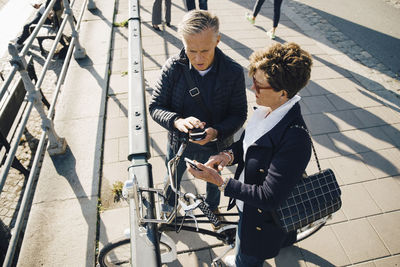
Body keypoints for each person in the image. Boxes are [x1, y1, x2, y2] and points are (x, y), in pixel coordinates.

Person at [187, 42, 313, 266]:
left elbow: (269, 197)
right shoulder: (267, 110)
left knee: (246, 259)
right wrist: (226, 156)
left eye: (258, 85)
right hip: (250, 207)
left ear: (283, 93)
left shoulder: (296, 139)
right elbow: (248, 144)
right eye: (253, 80)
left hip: (261, 221)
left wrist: (219, 181)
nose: (252, 88)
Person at [149, 10, 247, 218]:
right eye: (191, 50)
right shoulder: (173, 68)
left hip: (216, 145)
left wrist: (216, 131)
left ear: (217, 40)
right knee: (172, 176)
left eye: (205, 50)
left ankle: (212, 210)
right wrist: (177, 122)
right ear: (183, 42)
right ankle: (168, 206)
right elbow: (155, 106)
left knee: (213, 182)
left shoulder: (233, 72)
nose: (198, 58)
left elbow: (239, 114)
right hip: (179, 143)